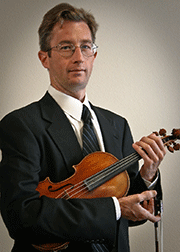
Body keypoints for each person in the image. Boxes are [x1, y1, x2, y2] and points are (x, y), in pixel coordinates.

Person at [0, 3, 166, 252]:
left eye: (86, 46)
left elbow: (134, 212)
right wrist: (113, 208)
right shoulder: (21, 125)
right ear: (44, 58)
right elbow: (22, 217)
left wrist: (148, 175)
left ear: (94, 55)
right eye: (66, 47)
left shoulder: (117, 125)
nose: (78, 57)